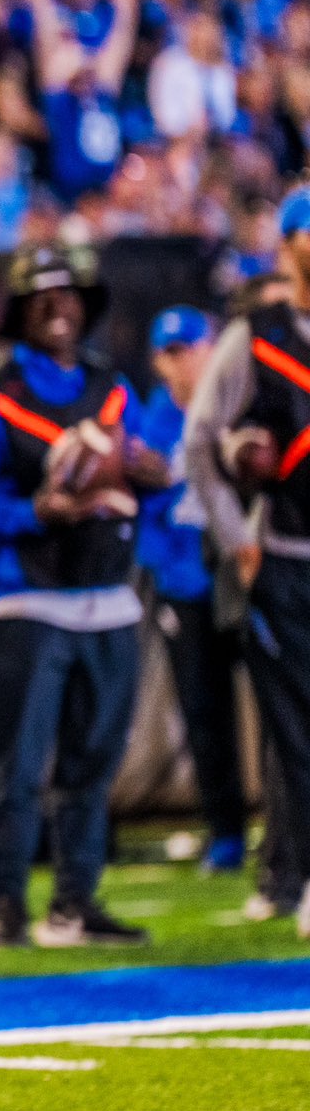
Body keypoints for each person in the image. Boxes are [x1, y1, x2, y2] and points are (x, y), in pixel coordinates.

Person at [0, 244, 167, 951]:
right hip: (28, 603)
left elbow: (156, 480)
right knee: (14, 767)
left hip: (109, 596)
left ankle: (76, 901)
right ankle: (4, 903)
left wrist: (150, 477)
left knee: (93, 766)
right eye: (41, 298)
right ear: (18, 312)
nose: (57, 309)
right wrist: (37, 512)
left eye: (68, 295)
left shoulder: (112, 387)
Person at [185, 187, 310, 936]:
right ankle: (295, 875)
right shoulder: (256, 336)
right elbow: (202, 441)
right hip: (289, 555)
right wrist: (239, 538)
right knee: (296, 732)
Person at [134, 306, 249, 875]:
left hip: (247, 576)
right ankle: (227, 830)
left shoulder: (240, 401)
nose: (188, 362)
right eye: (175, 352)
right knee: (205, 715)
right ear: (160, 362)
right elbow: (140, 519)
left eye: (195, 347)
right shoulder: (149, 426)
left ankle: (288, 828)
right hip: (188, 587)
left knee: (284, 708)